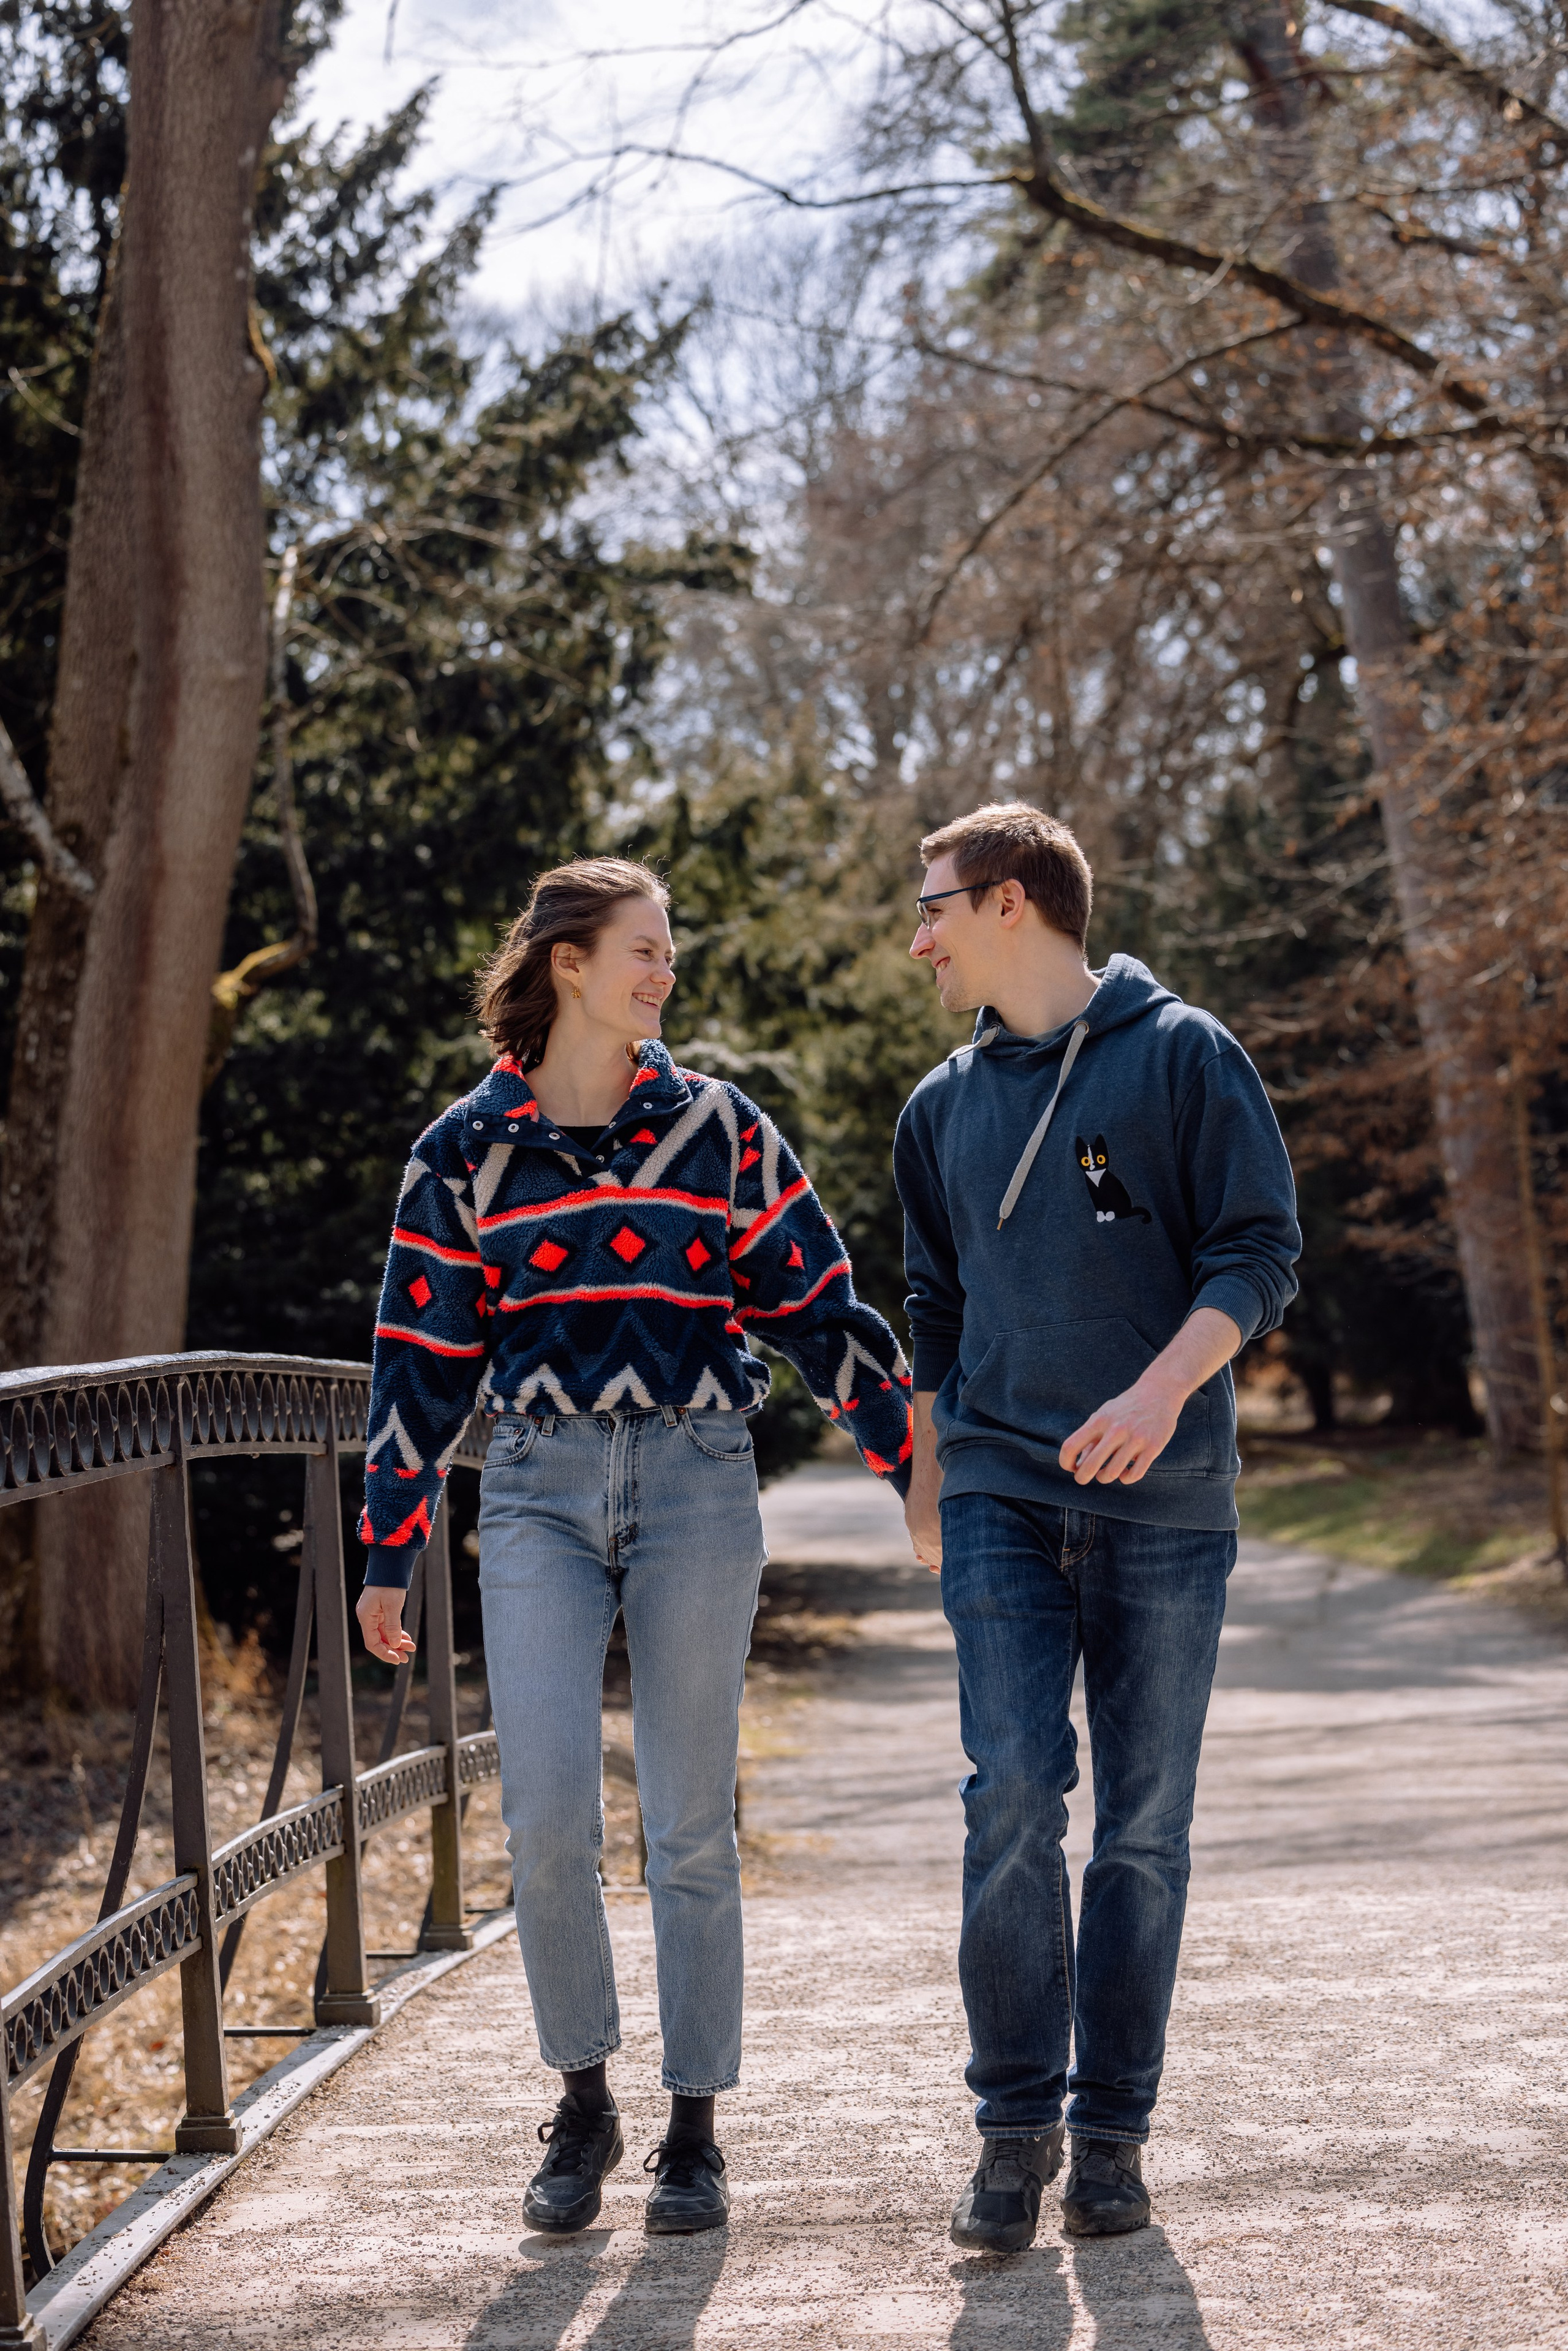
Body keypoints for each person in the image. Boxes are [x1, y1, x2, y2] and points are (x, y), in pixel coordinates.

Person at [355, 856, 913, 2238]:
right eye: (642, 949)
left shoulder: (719, 1127)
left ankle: (692, 2129)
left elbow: (816, 1303)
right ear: (566, 962)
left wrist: (909, 1460)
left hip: (697, 1481)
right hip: (538, 1488)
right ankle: (584, 2097)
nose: (664, 972)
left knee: (685, 1829)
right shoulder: (464, 1150)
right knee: (546, 1815)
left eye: (669, 950)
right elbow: (420, 1354)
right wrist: (385, 1541)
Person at [894, 802, 1299, 2250]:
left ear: (1009, 900)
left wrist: (1154, 1390)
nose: (919, 934)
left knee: (1140, 1828)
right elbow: (931, 1305)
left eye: (934, 902)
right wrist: (928, 1476)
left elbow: (1259, 1249)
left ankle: (1109, 2131)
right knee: (1009, 1795)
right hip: (1003, 1489)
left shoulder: (1183, 1053)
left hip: (1165, 1503)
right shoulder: (936, 1105)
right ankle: (1011, 2128)